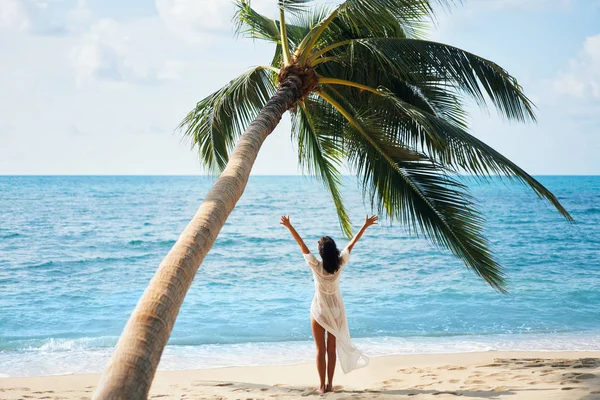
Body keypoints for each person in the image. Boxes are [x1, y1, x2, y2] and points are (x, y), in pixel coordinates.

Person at [280, 214, 379, 393]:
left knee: (320, 349)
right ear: (333, 250)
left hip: (319, 310)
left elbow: (301, 244)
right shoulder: (340, 263)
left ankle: (321, 386)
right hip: (335, 310)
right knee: (331, 349)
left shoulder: (316, 265)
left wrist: (289, 226)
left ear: (321, 253)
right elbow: (351, 244)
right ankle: (330, 385)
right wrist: (365, 225)